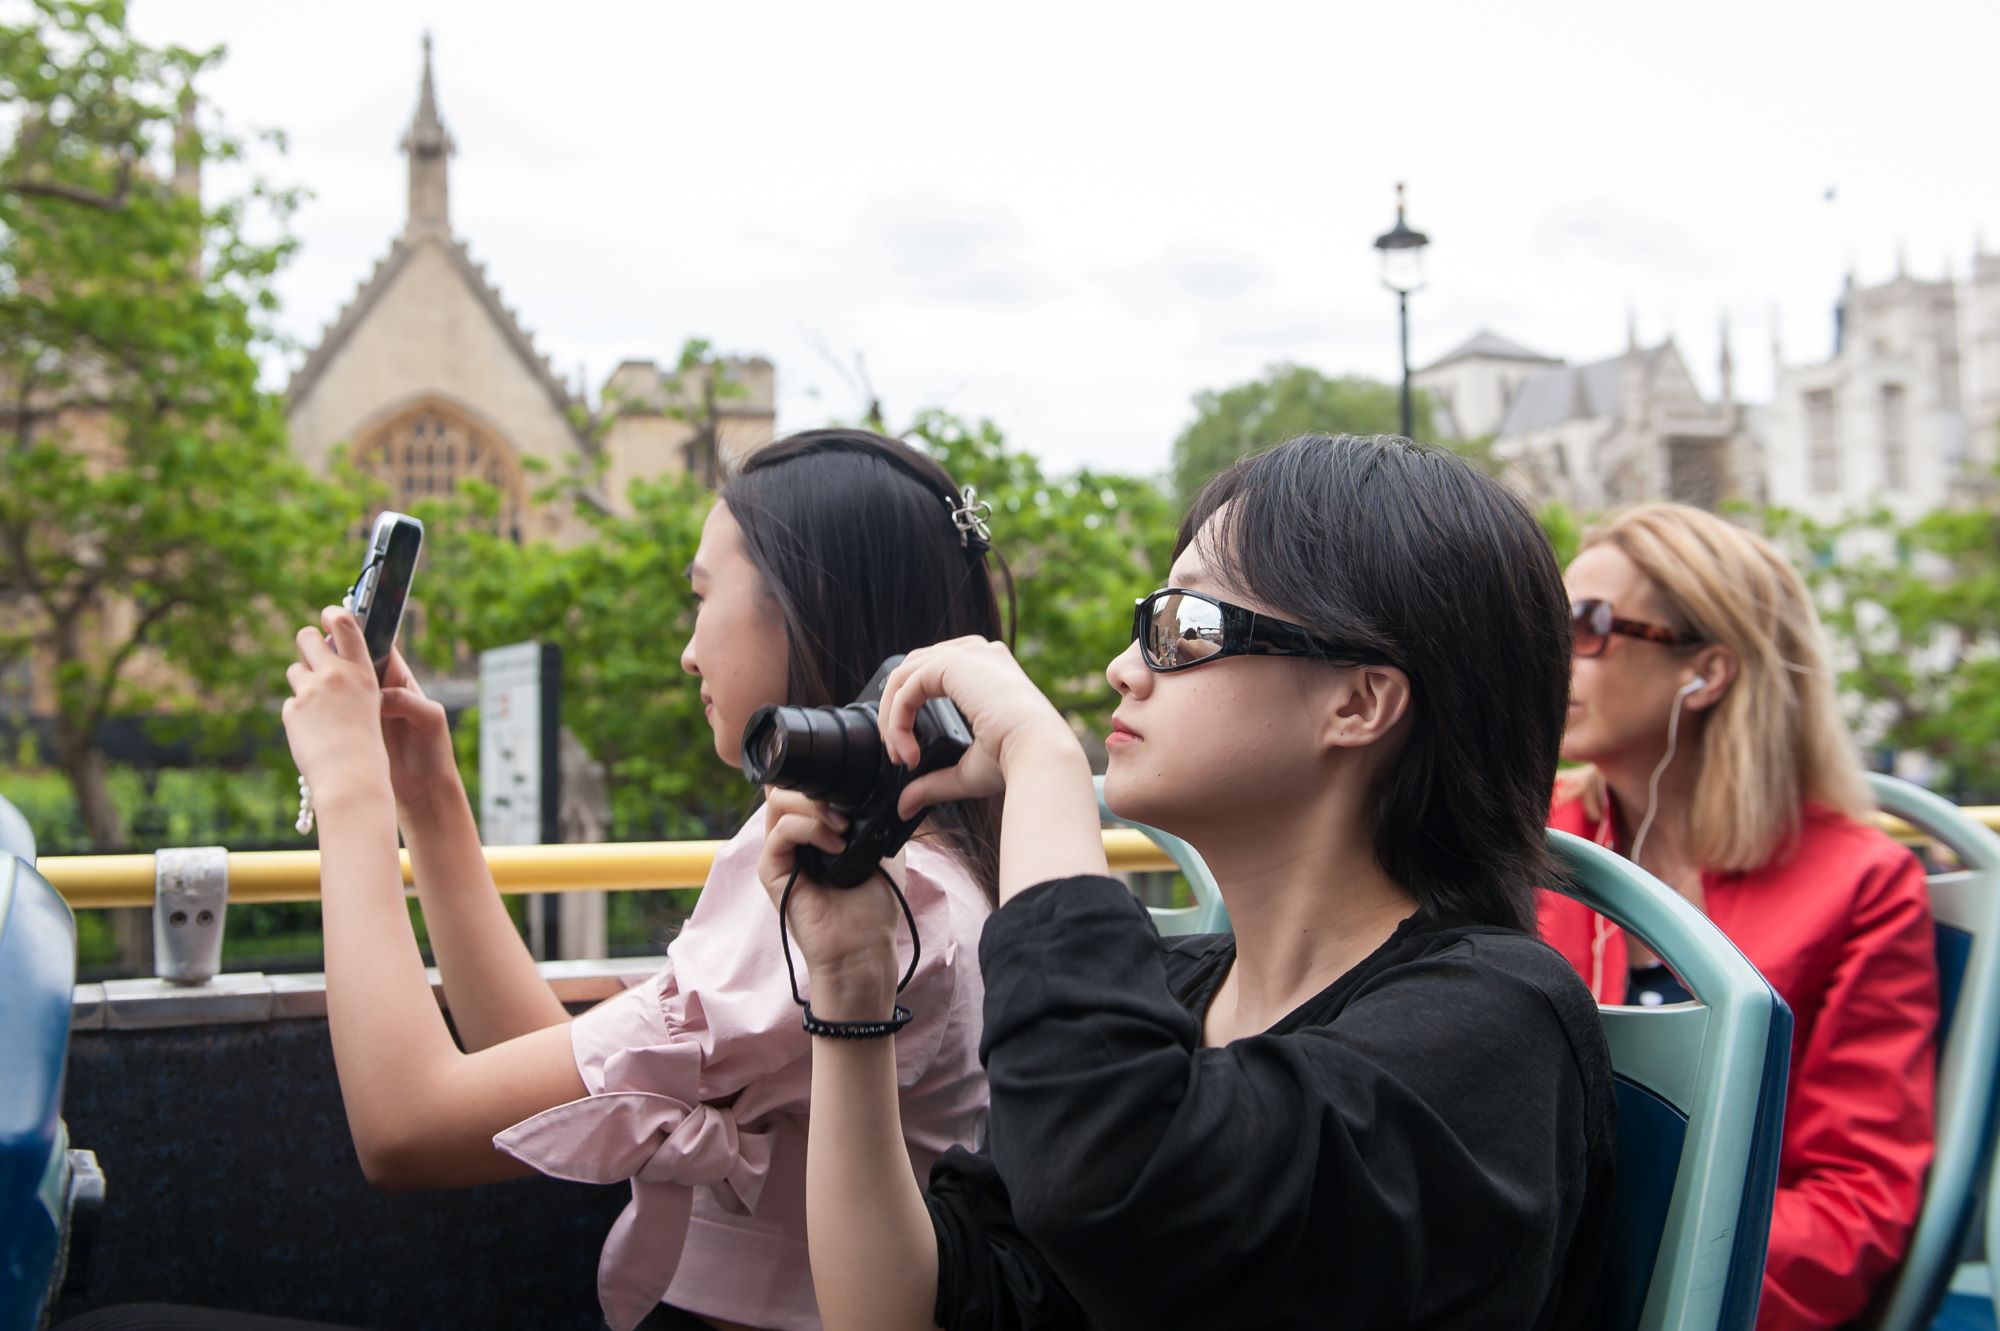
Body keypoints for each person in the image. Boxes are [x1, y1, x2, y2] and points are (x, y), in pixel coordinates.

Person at [759, 433, 1616, 1330]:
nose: (1124, 669)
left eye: (1182, 626)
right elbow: (912, 1309)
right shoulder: (1171, 994)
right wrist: (852, 984)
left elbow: (1111, 1176)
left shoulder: (1498, 1023)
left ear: (1359, 703)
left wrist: (1043, 767)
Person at [273, 429, 1006, 1331]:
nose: (690, 652)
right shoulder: (913, 859)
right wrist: (429, 798)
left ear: (798, 609)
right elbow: (567, 1074)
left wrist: (349, 790)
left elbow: (405, 1128)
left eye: (702, 598)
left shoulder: (857, 895)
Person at [1537, 502, 1938, 1331]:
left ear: (1706, 671)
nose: (1553, 651)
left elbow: (1854, 1207)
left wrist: (1627, 1261)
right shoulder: (1531, 836)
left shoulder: (1859, 882)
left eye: (1588, 624)